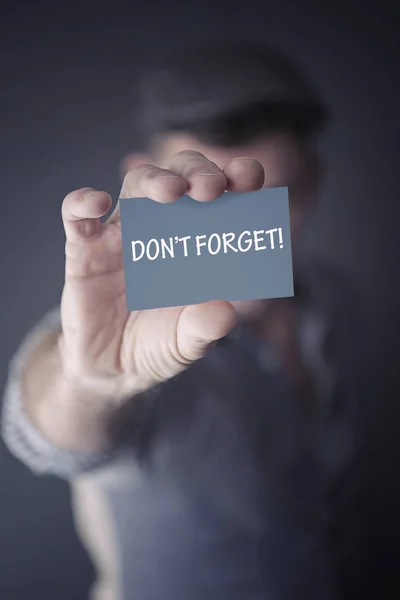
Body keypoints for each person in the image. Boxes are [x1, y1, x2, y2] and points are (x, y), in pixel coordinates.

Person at [1, 41, 371, 600]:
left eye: (273, 207)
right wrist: (91, 379)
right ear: (138, 178)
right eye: (212, 212)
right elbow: (53, 430)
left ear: (313, 183)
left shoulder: (342, 305)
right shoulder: (126, 324)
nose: (238, 244)